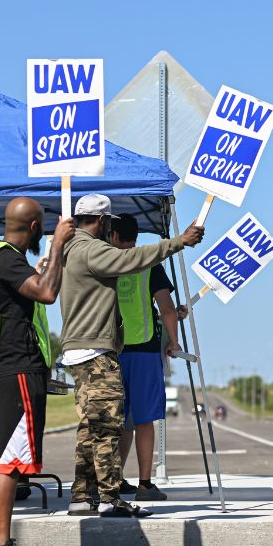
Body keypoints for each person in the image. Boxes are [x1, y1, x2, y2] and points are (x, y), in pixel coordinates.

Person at [59, 194, 204, 517]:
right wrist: (179, 242)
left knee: (91, 426)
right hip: (97, 351)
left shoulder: (68, 248)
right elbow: (132, 260)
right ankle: (110, 498)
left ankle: (82, 496)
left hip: (81, 348)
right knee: (110, 427)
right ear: (103, 222)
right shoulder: (92, 249)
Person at [0, 197, 73, 546]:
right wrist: (59, 244)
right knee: (8, 465)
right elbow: (47, 292)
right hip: (14, 370)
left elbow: (31, 289)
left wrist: (45, 263)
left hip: (5, 368)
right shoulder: (7, 259)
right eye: (44, 227)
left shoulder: (2, 258)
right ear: (34, 228)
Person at [109, 214, 186, 501]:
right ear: (135, 236)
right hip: (143, 349)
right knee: (143, 420)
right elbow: (166, 308)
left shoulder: (103, 262)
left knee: (118, 421)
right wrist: (174, 341)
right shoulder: (149, 264)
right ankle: (144, 484)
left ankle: (113, 479)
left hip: (111, 350)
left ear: (114, 236)